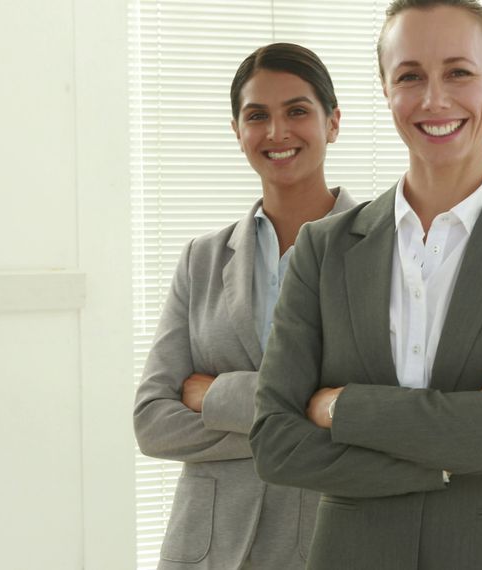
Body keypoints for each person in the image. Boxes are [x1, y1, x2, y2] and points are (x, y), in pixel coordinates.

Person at [249, 1, 482, 568]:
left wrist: (342, 408)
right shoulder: (324, 247)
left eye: (458, 72)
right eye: (410, 76)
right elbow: (276, 444)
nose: (435, 99)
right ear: (385, 88)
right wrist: (445, 457)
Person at [133, 43, 357, 569]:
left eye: (297, 111)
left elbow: (377, 412)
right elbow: (152, 421)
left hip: (327, 544)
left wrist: (215, 395)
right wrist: (307, 417)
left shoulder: (382, 249)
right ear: (237, 131)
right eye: (257, 116)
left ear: (334, 122)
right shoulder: (203, 259)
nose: (277, 132)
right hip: (206, 551)